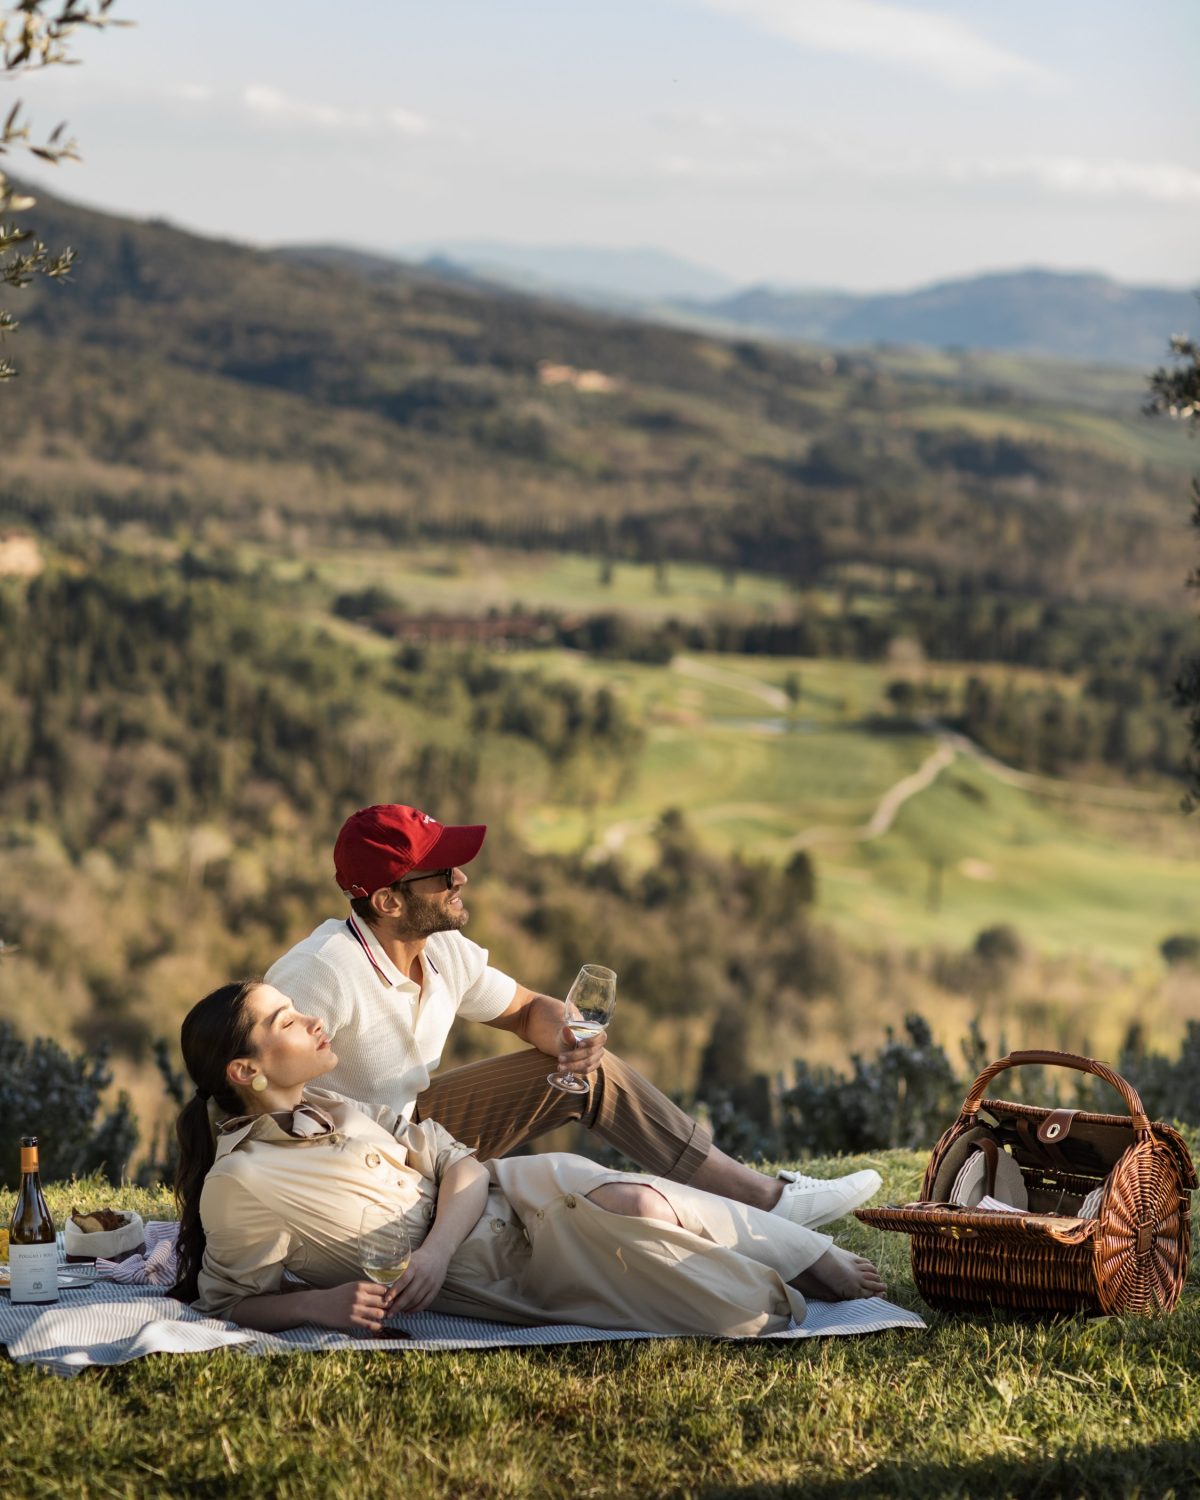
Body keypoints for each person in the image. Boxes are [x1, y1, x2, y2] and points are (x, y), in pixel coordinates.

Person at [264, 804, 881, 1231]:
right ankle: (762, 1203)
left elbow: (526, 1009)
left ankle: (766, 1199)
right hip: (352, 1163)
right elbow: (251, 1096)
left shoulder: (442, 949)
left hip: (419, 1127)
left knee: (586, 1068)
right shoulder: (320, 971)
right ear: (387, 900)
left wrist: (569, 1036)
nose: (461, 877)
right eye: (441, 873)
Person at [173, 980, 887, 1338]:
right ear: (246, 1071)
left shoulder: (336, 1106)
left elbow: (465, 1164)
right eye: (286, 1022)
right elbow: (228, 1300)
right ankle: (791, 1252)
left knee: (624, 1197)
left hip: (509, 1196)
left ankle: (807, 1248)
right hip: (501, 1269)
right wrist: (321, 1304)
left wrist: (432, 1252)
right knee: (740, 1308)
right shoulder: (242, 1181)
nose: (312, 1020)